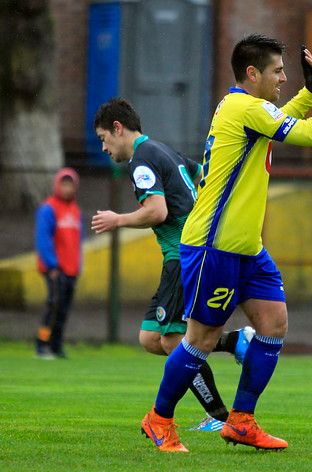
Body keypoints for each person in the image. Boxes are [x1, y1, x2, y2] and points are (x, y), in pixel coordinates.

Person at [139, 33, 312, 452]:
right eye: (278, 71)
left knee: (274, 324)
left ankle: (241, 421)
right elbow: (309, 135)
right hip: (214, 246)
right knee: (201, 340)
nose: (283, 78)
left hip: (246, 247)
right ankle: (159, 419)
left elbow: (281, 120)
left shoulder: (246, 107)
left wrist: (310, 92)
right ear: (252, 73)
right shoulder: (244, 107)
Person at [92, 97, 254, 433]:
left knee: (173, 341)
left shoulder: (141, 161)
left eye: (103, 138)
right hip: (190, 254)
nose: (104, 148)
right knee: (151, 337)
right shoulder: (162, 150)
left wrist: (117, 219)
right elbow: (201, 174)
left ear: (117, 128)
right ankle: (233, 341)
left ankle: (220, 417)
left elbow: (157, 211)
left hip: (183, 258)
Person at [35, 167, 83, 359]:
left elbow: (77, 242)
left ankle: (56, 345)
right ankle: (42, 344)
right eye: (63, 184)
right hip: (56, 270)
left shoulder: (75, 211)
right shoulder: (48, 208)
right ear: (57, 185)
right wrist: (51, 265)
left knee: (63, 310)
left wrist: (77, 267)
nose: (67, 189)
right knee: (53, 308)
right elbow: (43, 239)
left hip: (71, 270)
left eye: (70, 185)